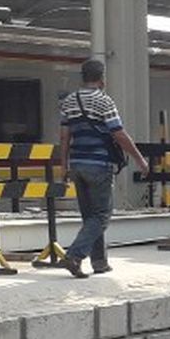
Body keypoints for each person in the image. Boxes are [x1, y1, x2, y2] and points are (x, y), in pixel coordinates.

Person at [57, 58, 147, 278]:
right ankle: (75, 256)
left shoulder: (69, 101)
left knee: (91, 217)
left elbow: (64, 136)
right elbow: (118, 133)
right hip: (98, 165)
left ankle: (99, 262)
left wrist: (63, 165)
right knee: (102, 216)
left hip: (77, 164)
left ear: (83, 77)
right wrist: (139, 159)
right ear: (102, 79)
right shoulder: (104, 101)